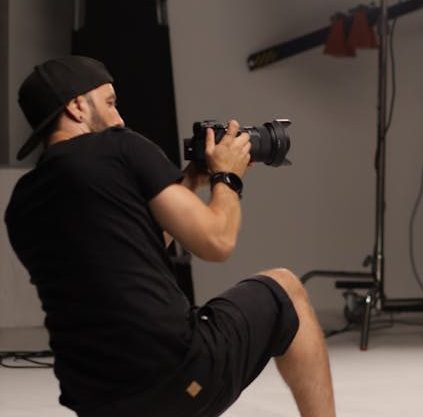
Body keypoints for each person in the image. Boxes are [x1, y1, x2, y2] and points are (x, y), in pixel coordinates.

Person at [5, 56, 336, 417]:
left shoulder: (22, 204)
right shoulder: (121, 147)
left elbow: (128, 251)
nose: (119, 118)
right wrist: (227, 176)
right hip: (177, 375)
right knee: (286, 288)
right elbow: (217, 241)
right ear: (77, 106)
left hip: (94, 399)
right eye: (111, 103)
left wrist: (192, 182)